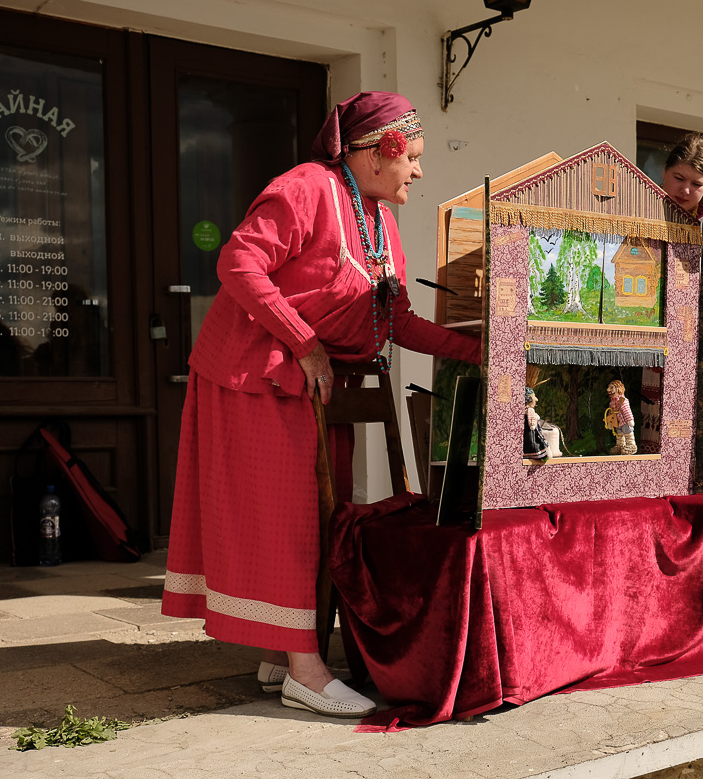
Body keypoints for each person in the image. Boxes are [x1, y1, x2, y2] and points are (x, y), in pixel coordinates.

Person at [160, 92, 481, 718]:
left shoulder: (379, 219)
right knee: (290, 517)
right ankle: (306, 670)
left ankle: (283, 650)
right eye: (412, 157)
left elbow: (397, 321)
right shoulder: (307, 187)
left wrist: (479, 350)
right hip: (256, 372)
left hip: (315, 384)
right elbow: (238, 261)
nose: (418, 171)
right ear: (378, 150)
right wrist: (306, 344)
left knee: (319, 516)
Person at [660, 132, 703, 222]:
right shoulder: (637, 208)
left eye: (696, 184)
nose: (685, 191)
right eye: (679, 178)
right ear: (664, 171)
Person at [605, 379, 637, 455]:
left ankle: (631, 446)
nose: (608, 389)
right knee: (619, 435)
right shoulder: (612, 403)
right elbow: (611, 413)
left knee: (628, 433)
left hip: (624, 422)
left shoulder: (623, 400)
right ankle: (620, 446)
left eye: (611, 387)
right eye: (609, 388)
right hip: (617, 422)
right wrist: (610, 423)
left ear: (618, 389)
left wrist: (630, 420)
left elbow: (627, 411)